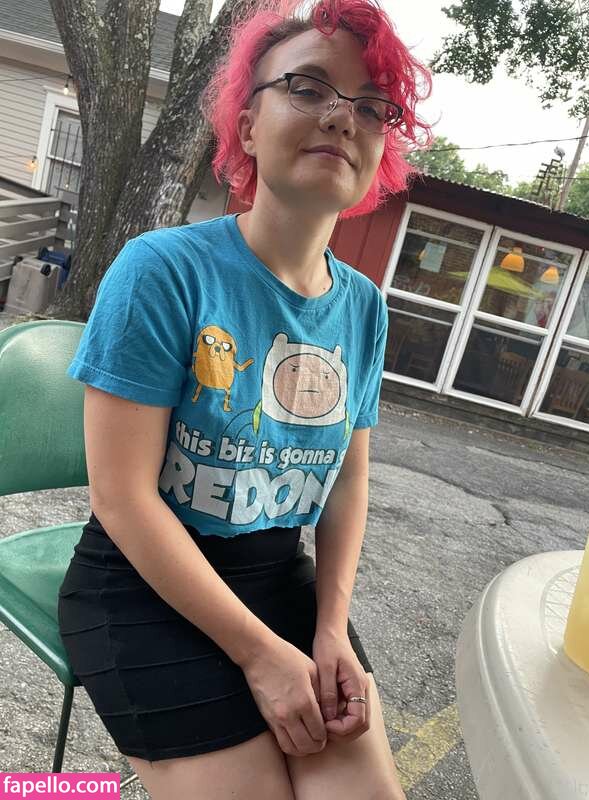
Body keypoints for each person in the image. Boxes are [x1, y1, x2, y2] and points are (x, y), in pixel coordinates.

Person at [57, 0, 433, 797]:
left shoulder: (364, 308)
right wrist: (260, 655)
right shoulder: (162, 270)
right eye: (308, 87)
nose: (343, 116)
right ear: (247, 125)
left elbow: (347, 482)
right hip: (144, 584)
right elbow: (121, 498)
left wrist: (330, 628)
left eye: (373, 106)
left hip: (278, 580)